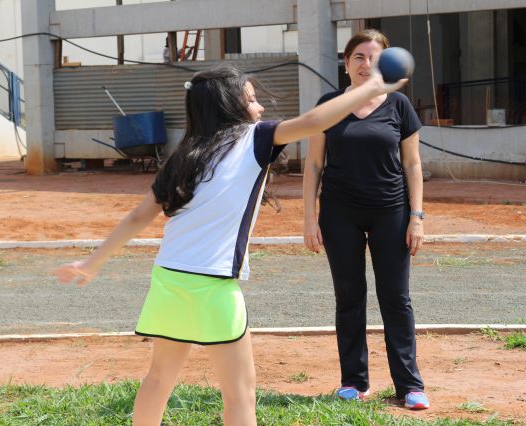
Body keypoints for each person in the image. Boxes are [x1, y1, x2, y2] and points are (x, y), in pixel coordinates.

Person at [55, 64, 406, 426]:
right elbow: (315, 121)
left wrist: (91, 263)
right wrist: (371, 90)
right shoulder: (256, 137)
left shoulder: (184, 154)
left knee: (159, 378)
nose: (260, 107)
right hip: (214, 283)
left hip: (169, 277)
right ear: (229, 106)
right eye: (252, 100)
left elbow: (137, 217)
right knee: (240, 392)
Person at [303, 29, 429, 410]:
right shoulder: (329, 104)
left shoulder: (399, 105)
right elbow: (314, 164)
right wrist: (309, 217)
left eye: (374, 57)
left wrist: (417, 217)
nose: (366, 63)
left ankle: (409, 385)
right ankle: (354, 381)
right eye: (358, 56)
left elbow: (412, 164)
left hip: (391, 211)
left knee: (396, 298)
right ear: (346, 64)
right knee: (349, 297)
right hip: (339, 213)